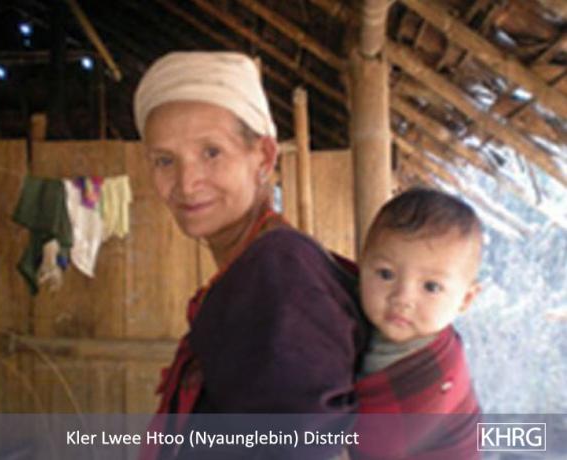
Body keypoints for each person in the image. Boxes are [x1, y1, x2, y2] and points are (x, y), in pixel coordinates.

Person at [133, 51, 366, 458]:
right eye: (165, 160)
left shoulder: (279, 271)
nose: (186, 183)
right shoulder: (253, 267)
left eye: (211, 152)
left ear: (264, 156)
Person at [351, 188, 482, 459]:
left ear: (465, 299)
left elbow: (363, 445)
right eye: (385, 274)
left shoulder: (435, 376)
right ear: (361, 266)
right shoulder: (345, 304)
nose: (402, 298)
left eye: (431, 287)